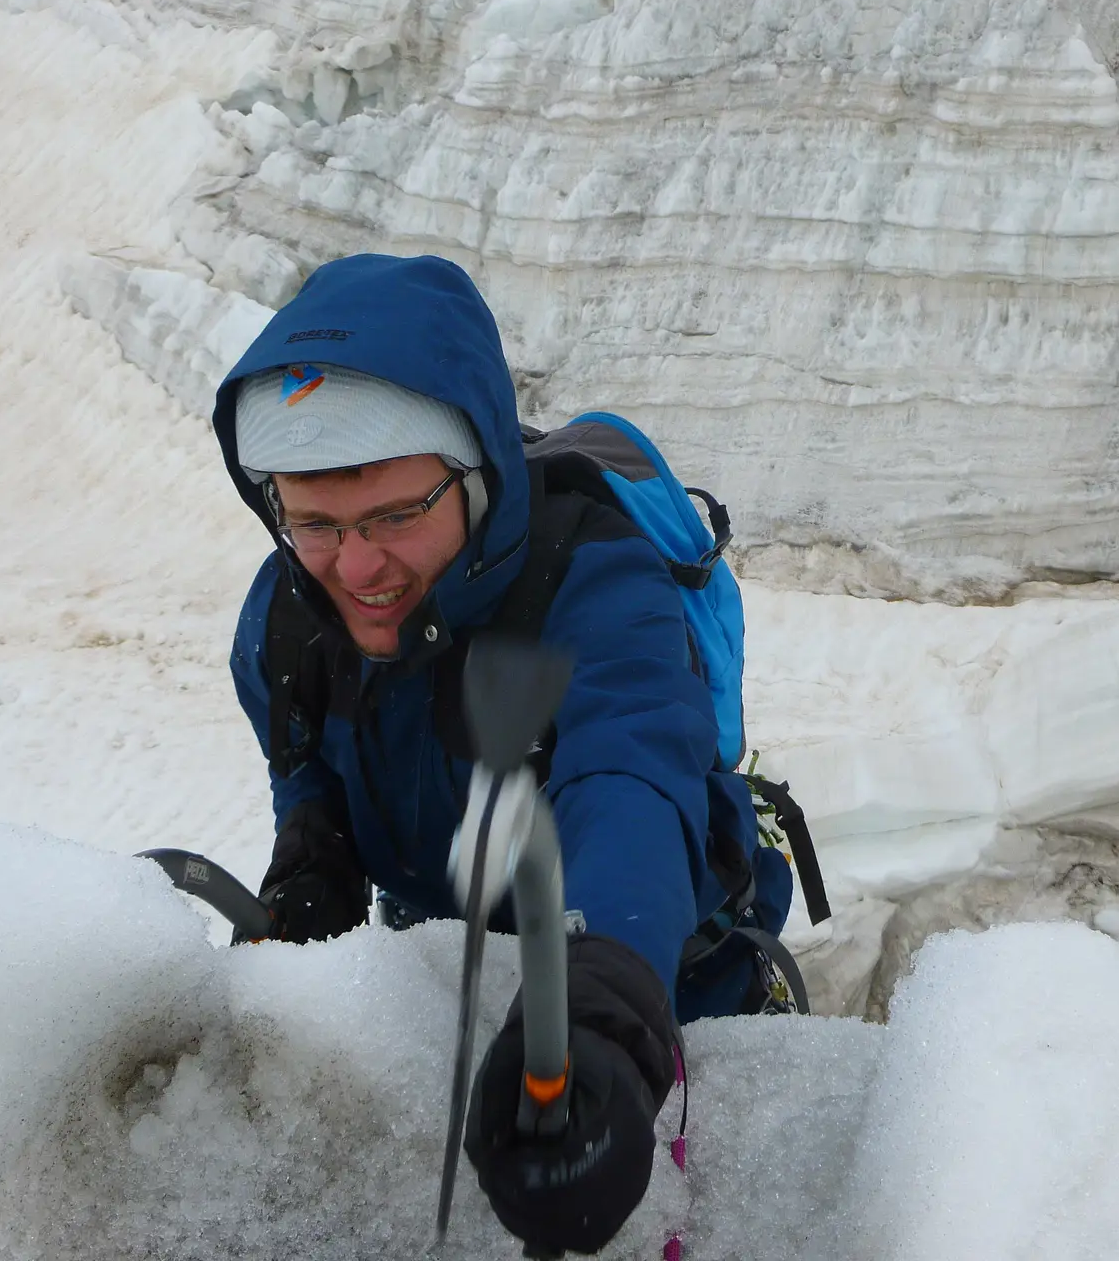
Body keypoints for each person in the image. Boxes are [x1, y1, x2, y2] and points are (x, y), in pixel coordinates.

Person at [211, 253, 792, 1254]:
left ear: (478, 474)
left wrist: (606, 1010)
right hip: (463, 965)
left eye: (396, 514)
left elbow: (629, 781)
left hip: (656, 983)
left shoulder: (593, 585)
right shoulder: (284, 623)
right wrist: (310, 868)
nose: (356, 566)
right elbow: (308, 769)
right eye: (313, 521)